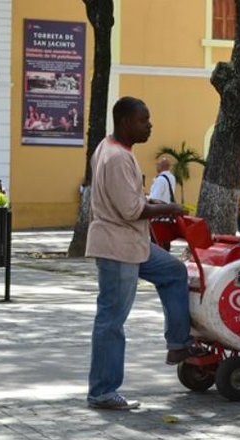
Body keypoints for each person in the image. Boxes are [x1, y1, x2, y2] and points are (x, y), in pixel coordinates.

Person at [85, 96, 206, 410]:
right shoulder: (117, 157)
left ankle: (178, 344)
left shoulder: (109, 148)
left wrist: (154, 206)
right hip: (118, 246)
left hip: (131, 244)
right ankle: (103, 391)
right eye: (144, 120)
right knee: (112, 319)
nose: (149, 126)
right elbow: (130, 209)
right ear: (126, 122)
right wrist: (169, 207)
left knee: (174, 271)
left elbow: (130, 202)